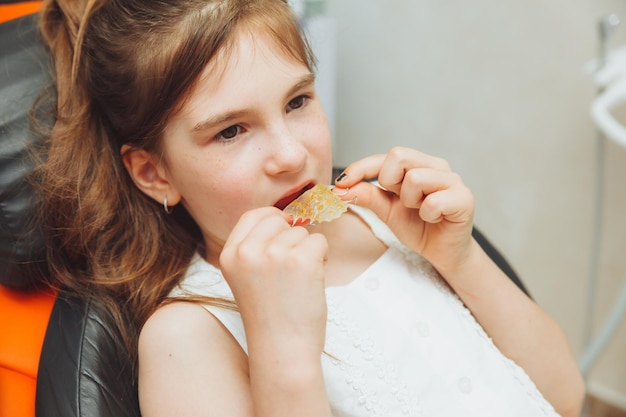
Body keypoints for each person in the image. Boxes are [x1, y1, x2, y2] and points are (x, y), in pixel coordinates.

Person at [34, 0, 585, 416]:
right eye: (231, 131)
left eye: (298, 101)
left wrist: (460, 259)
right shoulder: (189, 336)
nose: (292, 155)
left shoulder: (387, 223)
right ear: (155, 173)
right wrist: (283, 349)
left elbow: (565, 393)